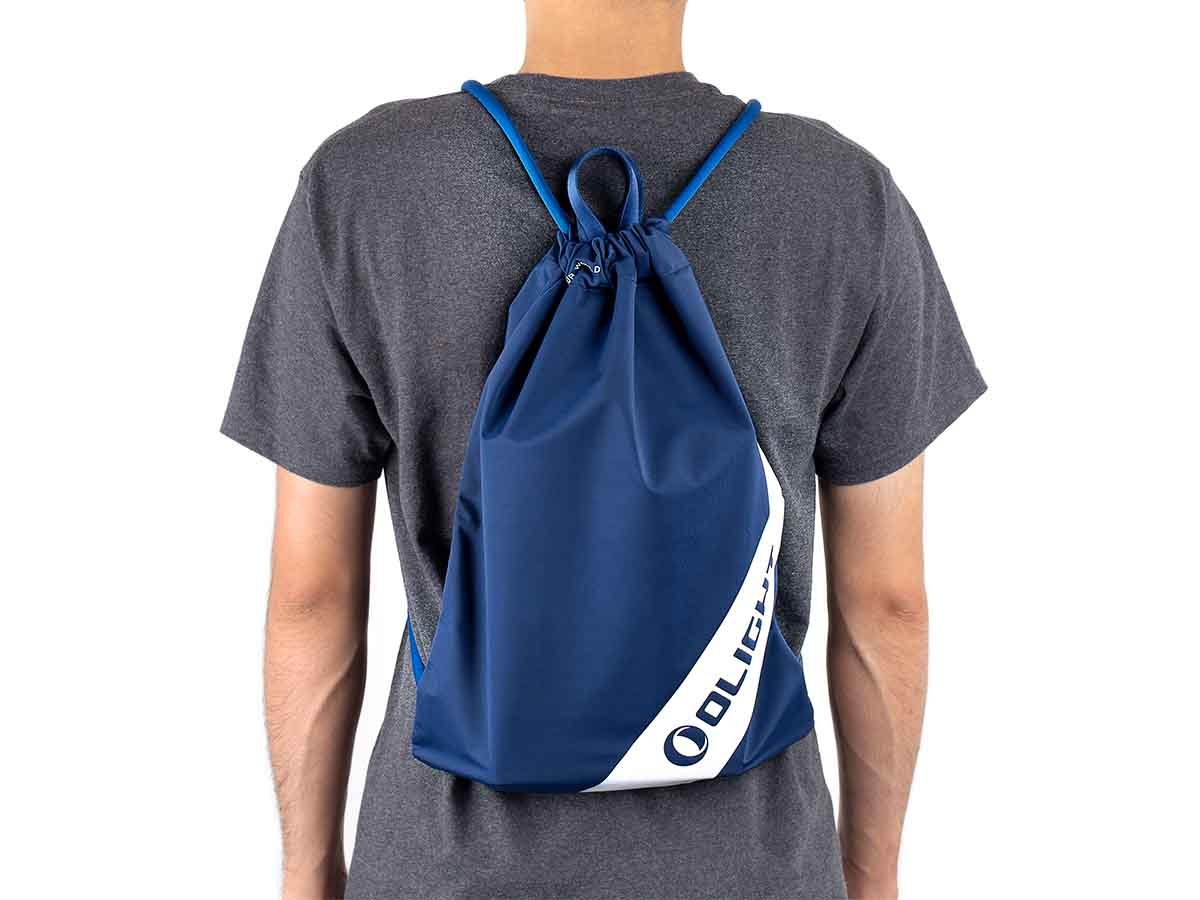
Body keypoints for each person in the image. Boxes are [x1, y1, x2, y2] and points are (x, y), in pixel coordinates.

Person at [221, 1, 985, 897]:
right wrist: (871, 877)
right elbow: (887, 605)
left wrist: (308, 877)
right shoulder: (842, 196)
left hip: (442, 870)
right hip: (753, 872)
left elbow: (311, 595)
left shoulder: (363, 184)